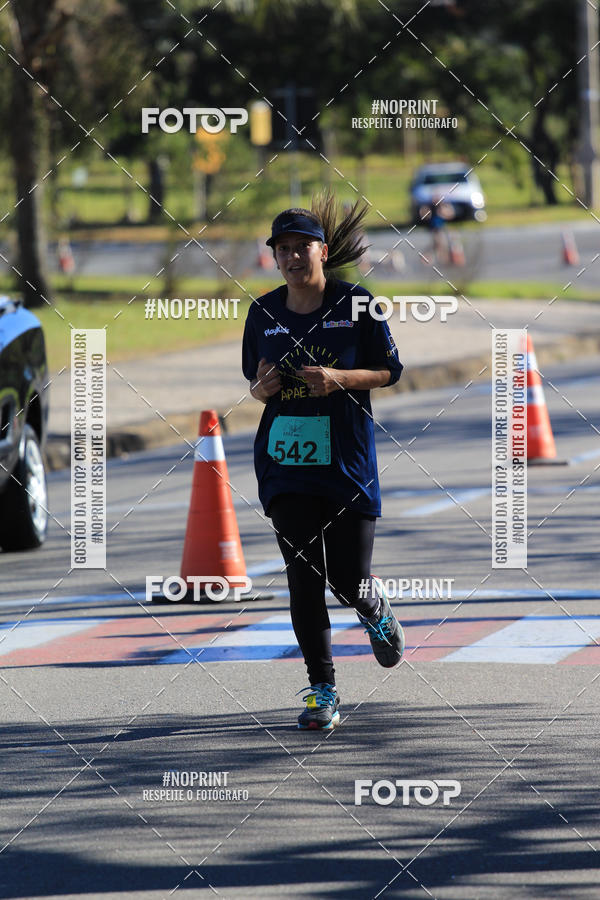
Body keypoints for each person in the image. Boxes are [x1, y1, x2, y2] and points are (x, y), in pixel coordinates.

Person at [242, 191, 404, 730]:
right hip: (285, 464)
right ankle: (322, 690)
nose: (291, 256)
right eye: (281, 248)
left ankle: (375, 611)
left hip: (346, 463)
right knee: (303, 578)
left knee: (348, 581)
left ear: (323, 250)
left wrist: (339, 380)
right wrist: (261, 389)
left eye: (301, 247)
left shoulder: (357, 304)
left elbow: (389, 371)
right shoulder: (262, 312)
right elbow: (255, 381)